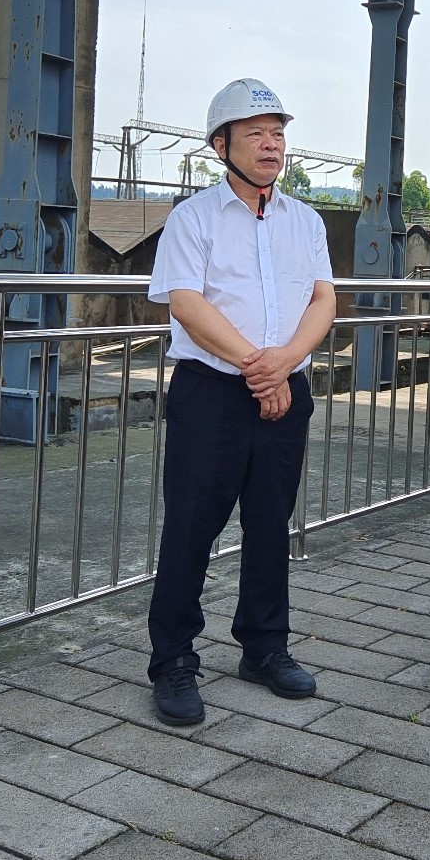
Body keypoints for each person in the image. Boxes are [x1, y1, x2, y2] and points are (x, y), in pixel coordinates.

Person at [144, 78, 336, 726]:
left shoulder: (304, 221)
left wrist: (285, 364)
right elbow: (186, 302)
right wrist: (261, 367)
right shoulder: (193, 218)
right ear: (220, 145)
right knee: (191, 527)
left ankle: (264, 646)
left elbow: (323, 299)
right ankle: (173, 659)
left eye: (277, 133)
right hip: (213, 394)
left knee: (270, 524)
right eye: (255, 133)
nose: (270, 144)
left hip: (285, 391)